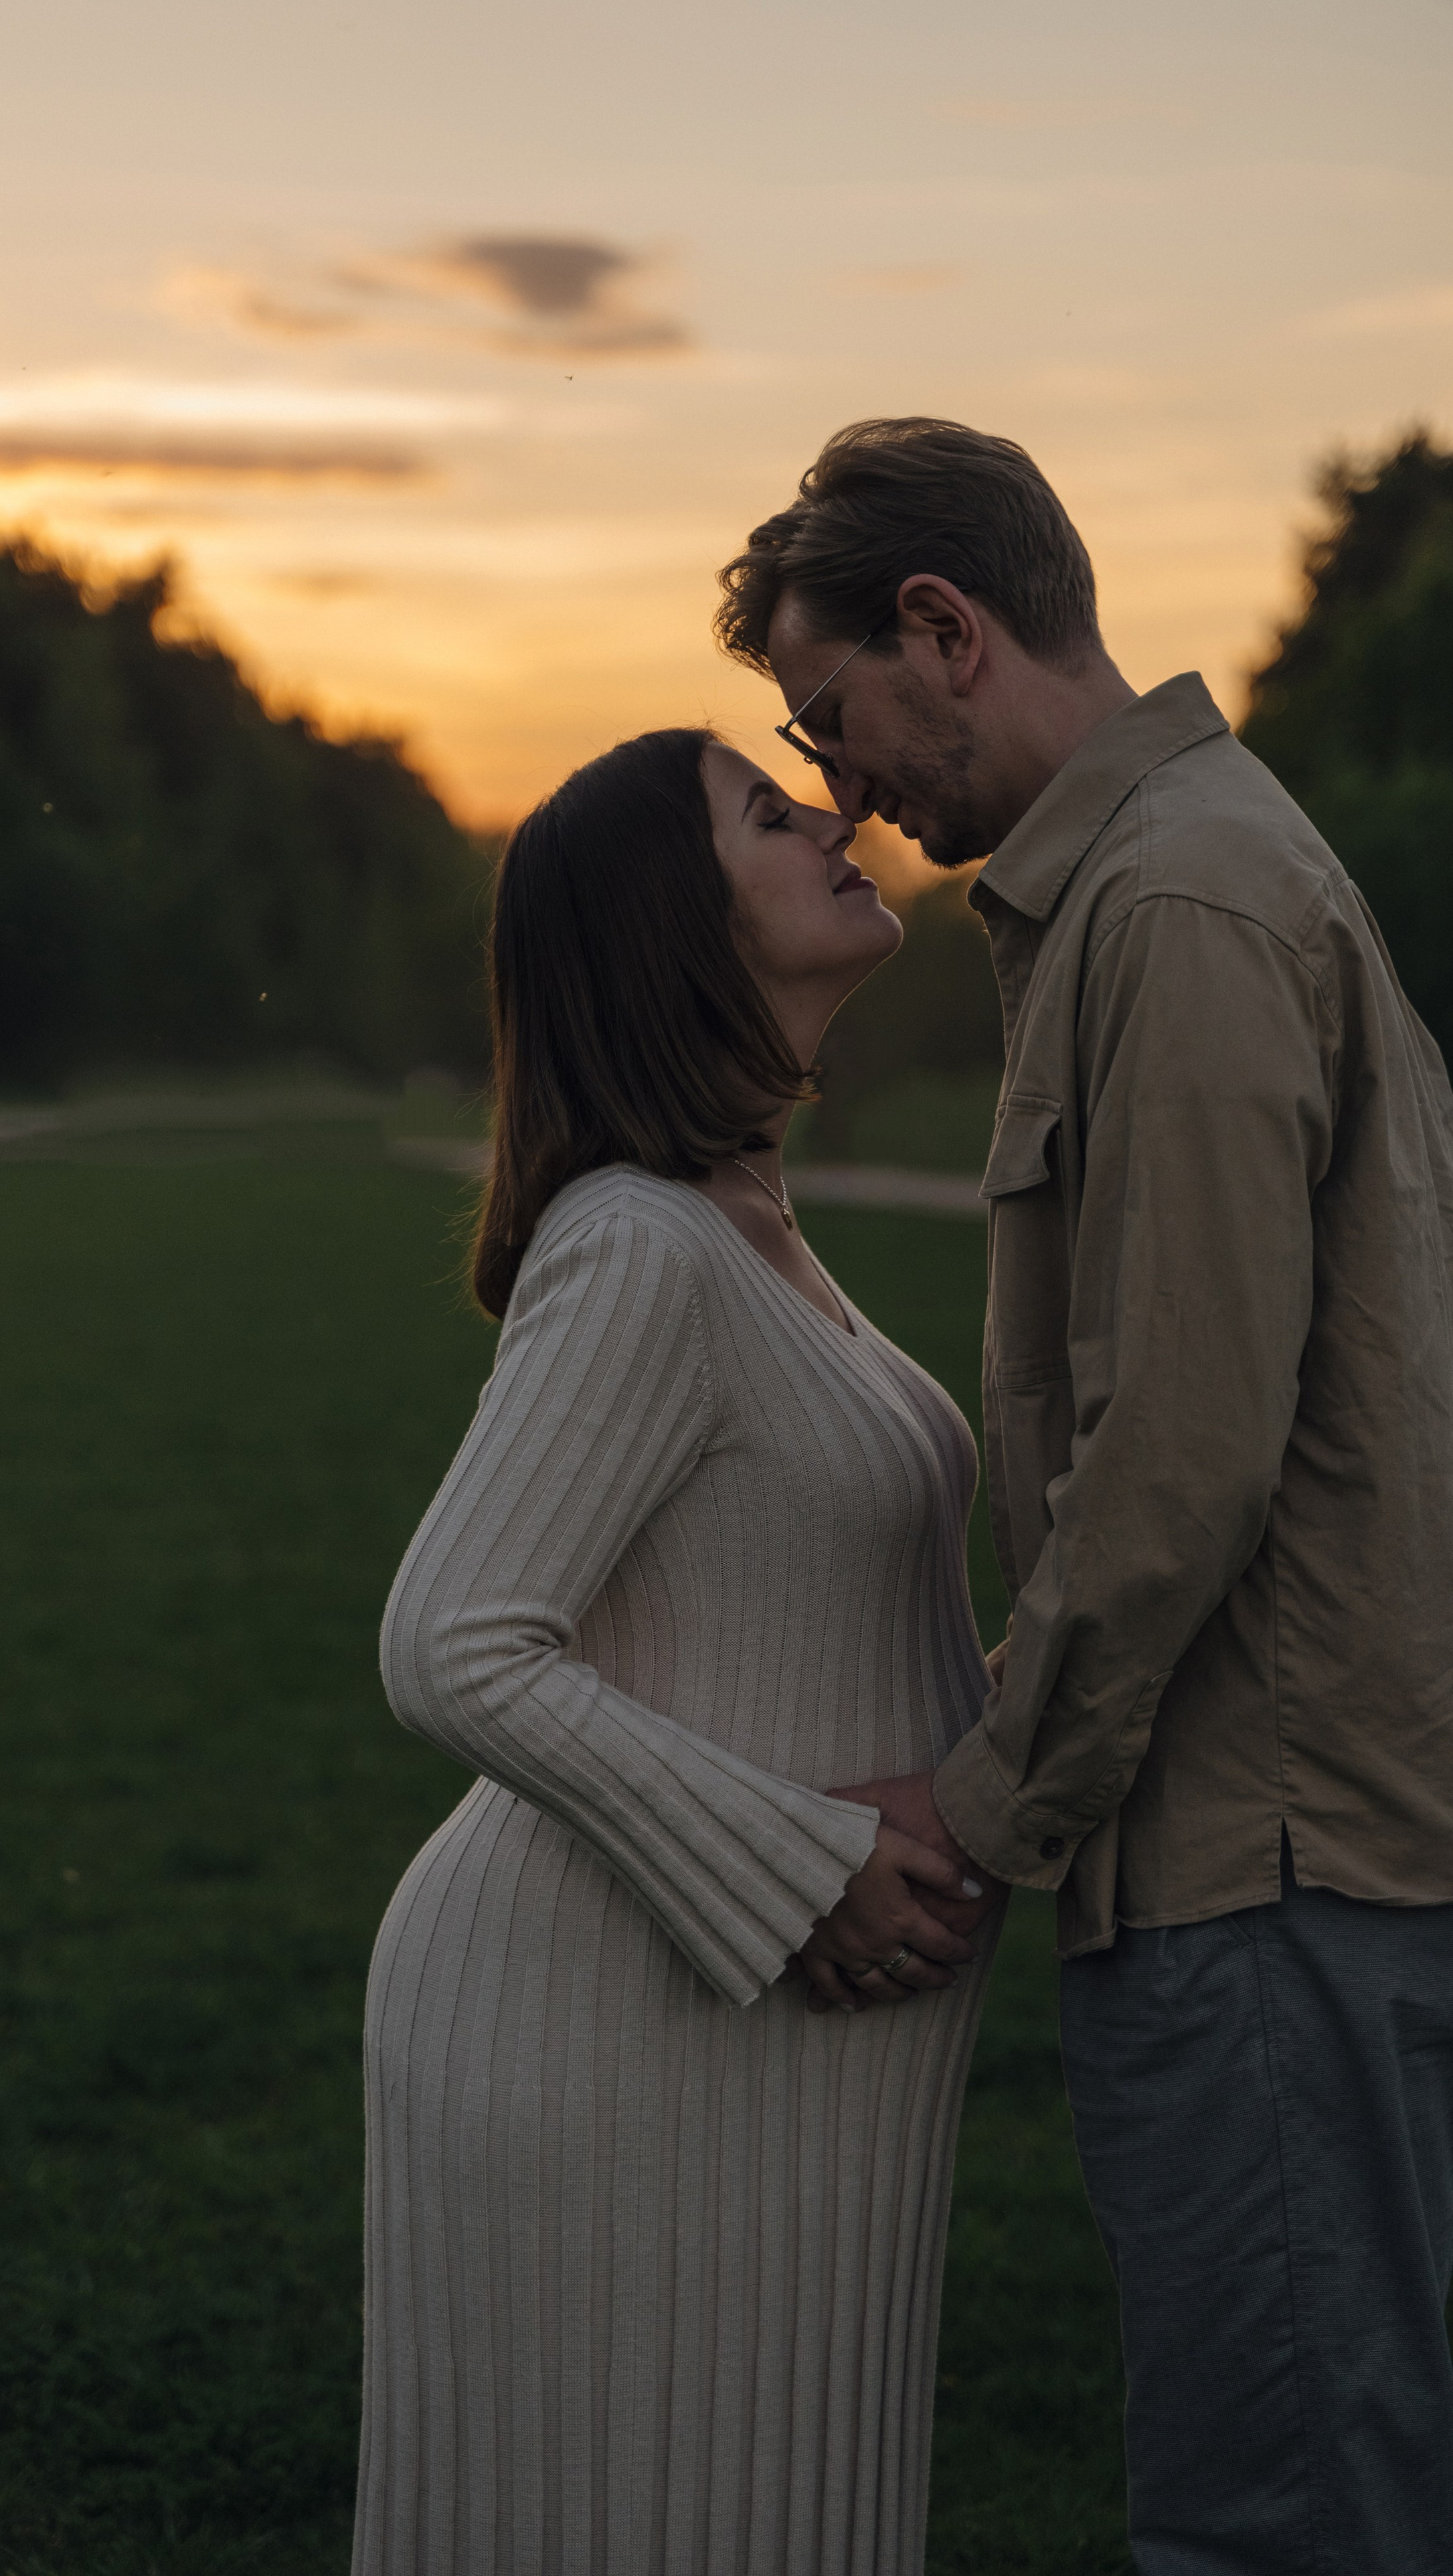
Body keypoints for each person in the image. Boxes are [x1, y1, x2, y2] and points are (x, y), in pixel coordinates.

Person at [714, 414, 1453, 2575]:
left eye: (831, 719)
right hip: (1278, 1851)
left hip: (1267, 1866)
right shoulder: (1164, 882)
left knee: (1283, 2524)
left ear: (945, 630)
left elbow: (1187, 1443)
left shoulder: (1184, 903)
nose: (843, 790)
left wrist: (980, 1798)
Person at [353, 724, 1008, 2576]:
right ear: (673, 920)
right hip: (617, 2032)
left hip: (760, 2047)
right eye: (765, 806)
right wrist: (801, 1869)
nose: (837, 813)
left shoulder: (752, 1223)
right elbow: (453, 1642)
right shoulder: (641, 1242)